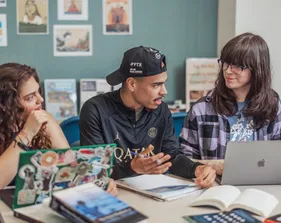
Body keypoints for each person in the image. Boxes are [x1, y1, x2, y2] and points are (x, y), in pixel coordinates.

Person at [80, 46, 216, 188]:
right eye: (156, 85)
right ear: (132, 84)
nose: (164, 91)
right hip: (113, 194)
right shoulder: (95, 110)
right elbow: (94, 169)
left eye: (164, 83)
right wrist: (131, 167)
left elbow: (172, 157)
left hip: (152, 194)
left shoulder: (162, 110)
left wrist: (196, 169)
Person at [0, 63, 117, 196]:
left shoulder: (45, 121)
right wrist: (27, 133)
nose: (41, 99)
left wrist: (99, 180)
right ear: (7, 105)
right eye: (30, 97)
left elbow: (71, 166)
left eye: (38, 92)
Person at [180, 32, 281, 175]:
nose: (228, 71)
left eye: (237, 66)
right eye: (225, 63)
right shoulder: (201, 109)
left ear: (257, 69)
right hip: (214, 189)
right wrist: (211, 167)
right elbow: (182, 160)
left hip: (259, 188)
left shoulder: (273, 106)